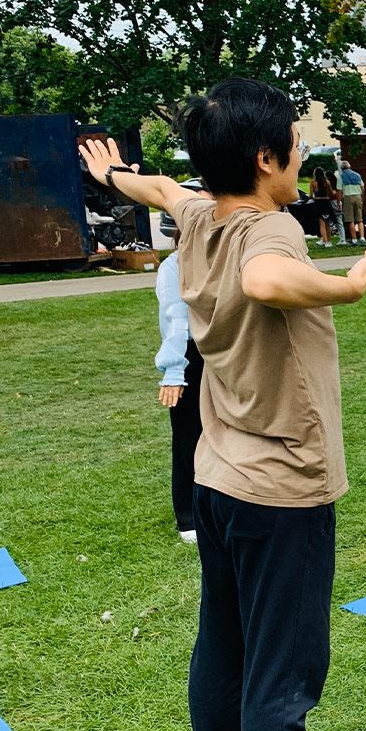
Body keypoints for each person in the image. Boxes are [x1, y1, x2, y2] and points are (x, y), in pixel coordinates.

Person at [78, 77, 366, 731]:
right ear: (266, 158)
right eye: (293, 144)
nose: (300, 155)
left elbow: (160, 187)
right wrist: (347, 286)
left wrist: (111, 175)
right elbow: (265, 280)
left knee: (224, 649)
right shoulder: (270, 227)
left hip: (218, 480)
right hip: (280, 487)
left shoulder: (199, 214)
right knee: (282, 669)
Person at [156, 182, 210, 543]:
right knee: (189, 435)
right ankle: (188, 516)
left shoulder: (221, 258)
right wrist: (175, 371)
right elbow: (175, 319)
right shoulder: (174, 266)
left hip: (226, 350)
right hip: (192, 355)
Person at [338, 161, 366, 245]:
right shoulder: (357, 175)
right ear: (349, 166)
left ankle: (354, 239)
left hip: (348, 197)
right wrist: (361, 197)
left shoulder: (341, 177)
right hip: (358, 196)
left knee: (350, 219)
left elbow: (340, 191)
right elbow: (362, 187)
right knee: (359, 219)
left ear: (341, 168)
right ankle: (362, 238)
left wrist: (339, 201)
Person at [310, 166, 337, 247]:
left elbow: (311, 195)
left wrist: (315, 197)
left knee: (321, 224)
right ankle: (329, 241)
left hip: (318, 203)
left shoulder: (313, 182)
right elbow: (331, 193)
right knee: (327, 223)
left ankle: (324, 241)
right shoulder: (327, 182)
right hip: (326, 203)